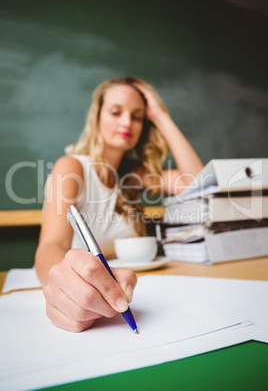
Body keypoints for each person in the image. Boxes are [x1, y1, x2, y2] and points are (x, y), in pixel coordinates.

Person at [35, 76, 203, 332]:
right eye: (116, 112)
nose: (127, 123)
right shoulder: (71, 168)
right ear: (97, 116)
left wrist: (160, 116)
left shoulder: (134, 176)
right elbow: (51, 245)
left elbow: (197, 183)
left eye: (137, 116)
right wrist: (59, 284)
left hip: (134, 291)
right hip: (89, 298)